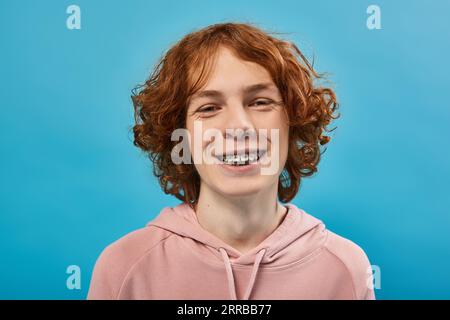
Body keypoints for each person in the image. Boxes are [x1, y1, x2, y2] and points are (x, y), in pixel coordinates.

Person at [87, 22, 375, 300]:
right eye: (209, 108)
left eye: (260, 102)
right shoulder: (124, 268)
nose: (239, 126)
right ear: (180, 135)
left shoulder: (345, 267)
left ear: (294, 120)